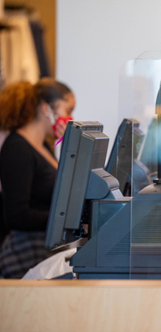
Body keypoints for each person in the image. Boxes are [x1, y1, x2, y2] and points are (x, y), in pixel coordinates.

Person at [0, 79, 75, 278]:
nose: (69, 118)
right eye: (67, 110)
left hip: (44, 248)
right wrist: (65, 219)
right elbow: (17, 215)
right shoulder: (17, 148)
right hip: (26, 254)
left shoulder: (42, 147)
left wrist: (69, 147)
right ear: (46, 109)